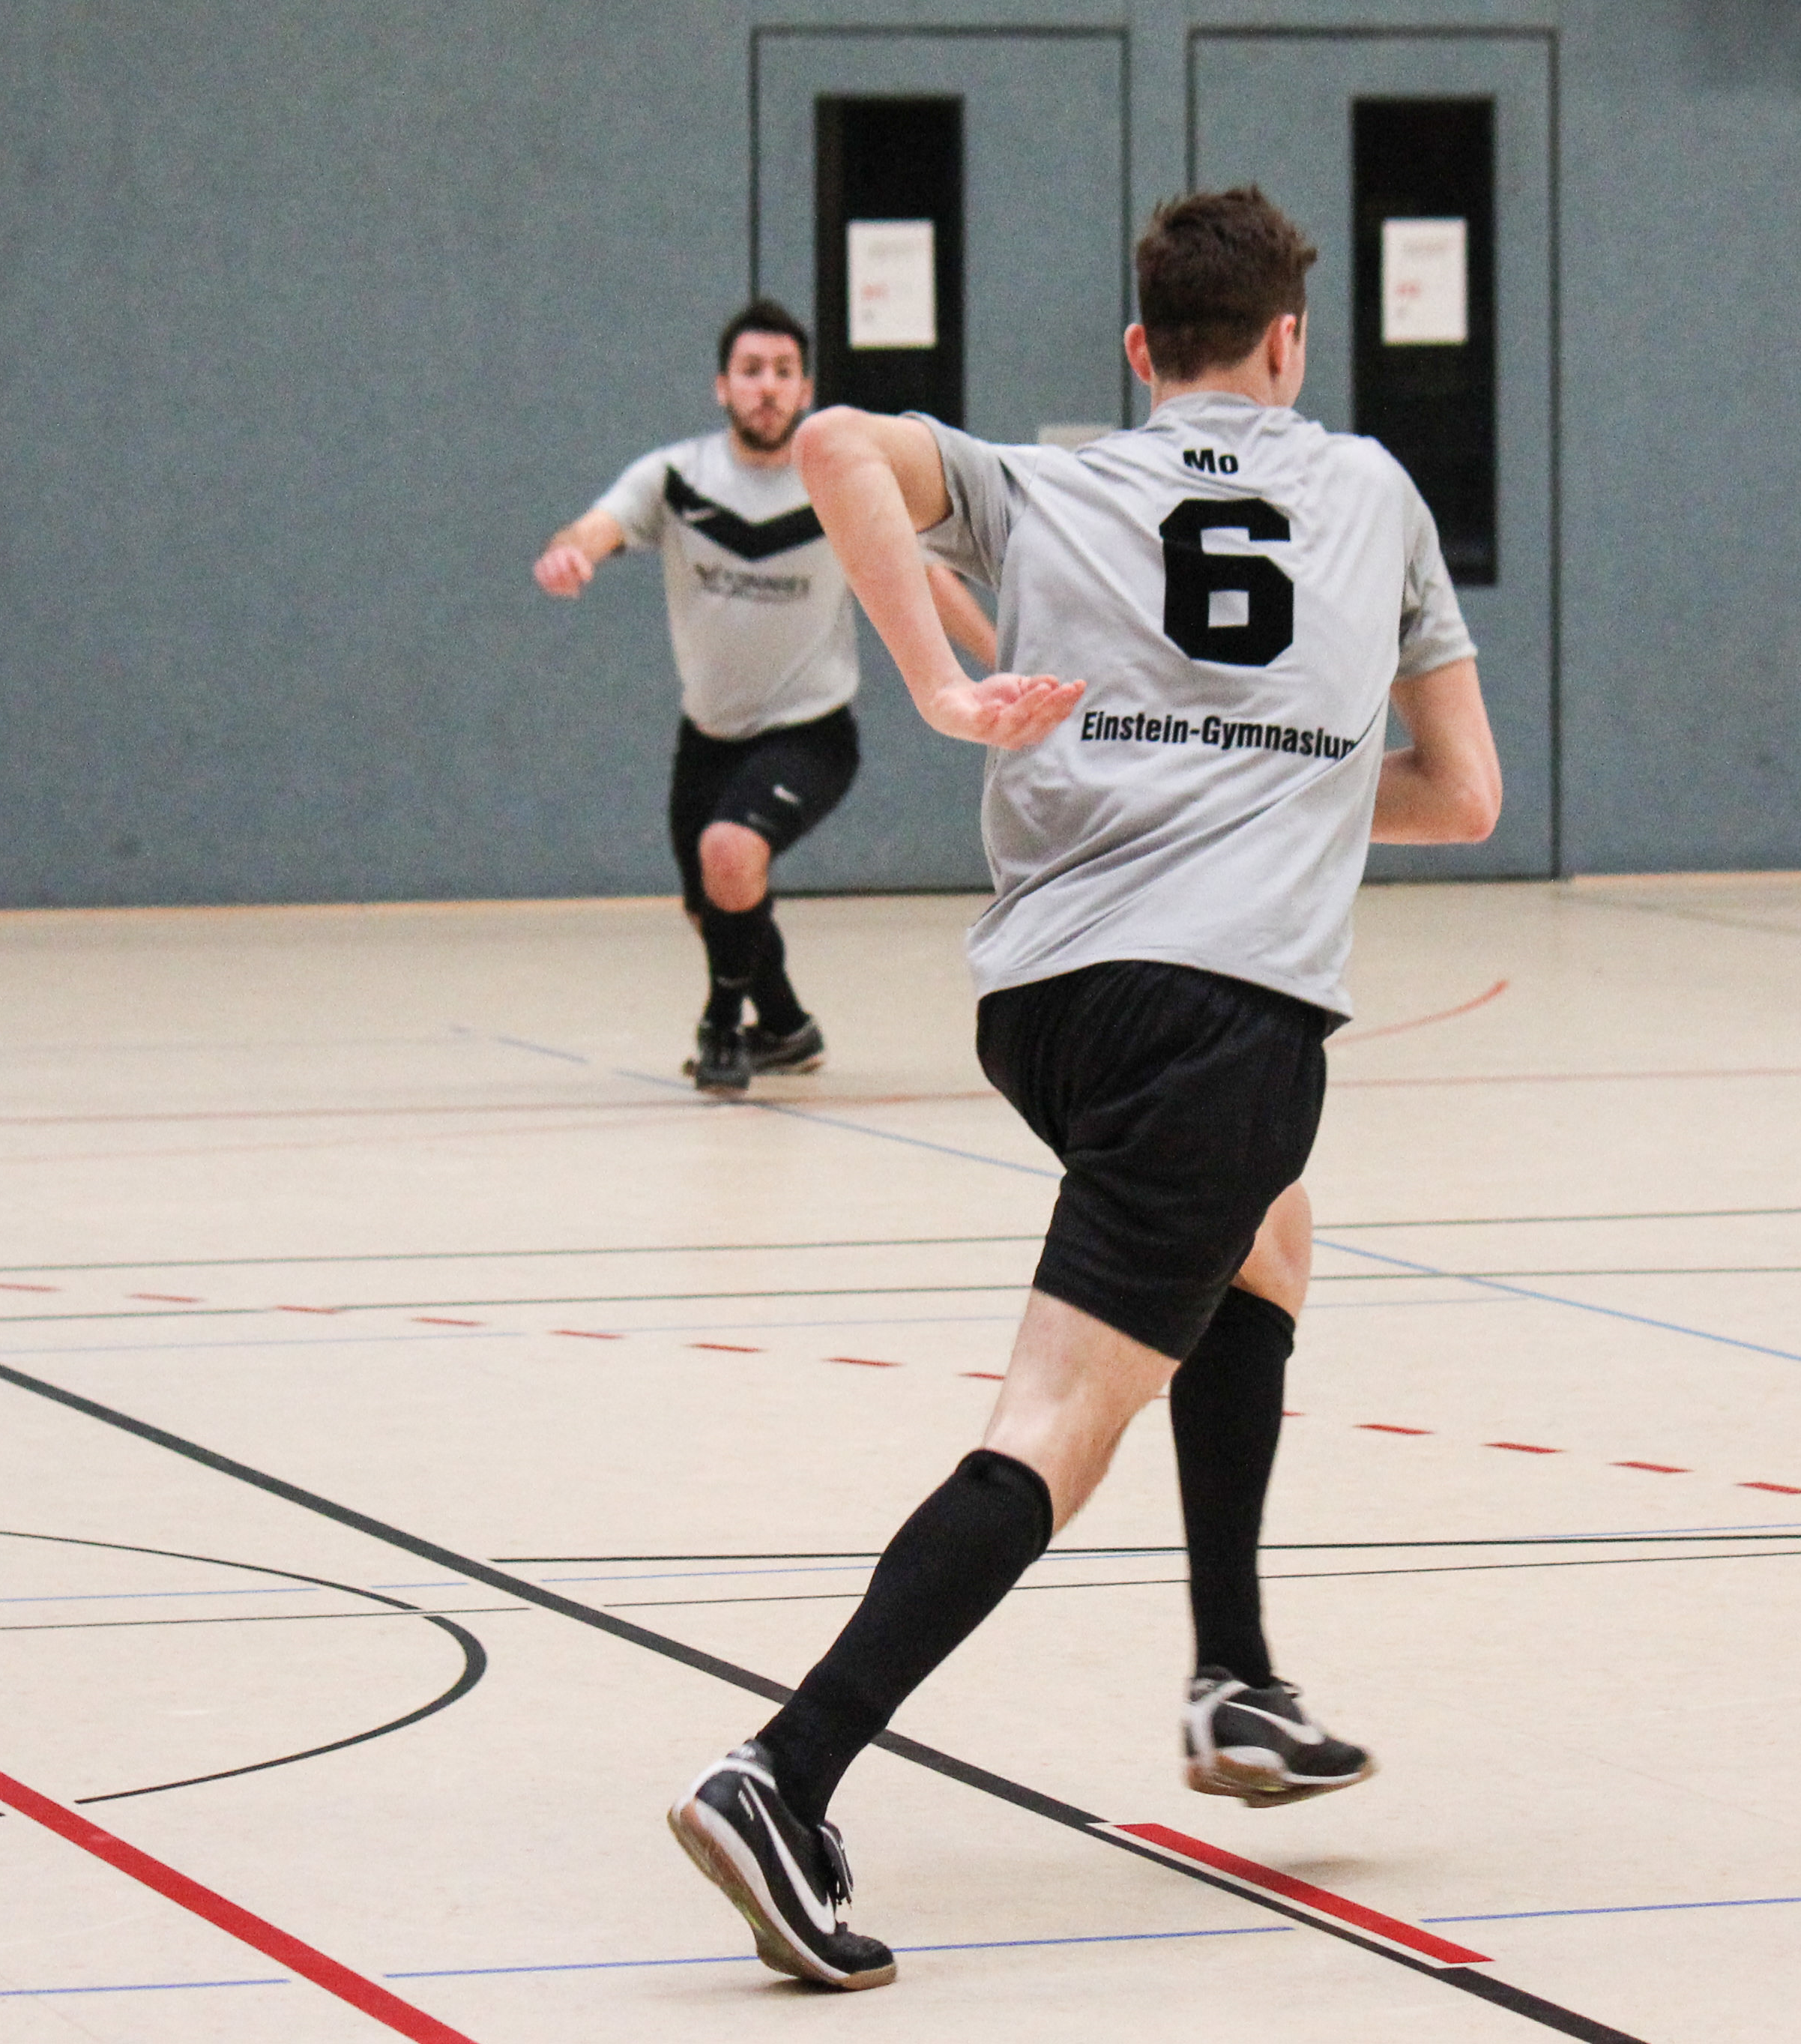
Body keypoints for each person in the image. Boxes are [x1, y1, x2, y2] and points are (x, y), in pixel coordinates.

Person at [663, 187, 1502, 1991]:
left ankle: (1233, 1676)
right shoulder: (1372, 492)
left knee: (1269, 1237)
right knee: (1057, 1414)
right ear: (1290, 342)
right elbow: (1464, 794)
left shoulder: (1052, 485)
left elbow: (834, 445)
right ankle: (784, 1771)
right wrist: (1277, 773)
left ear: (1141, 351)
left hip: (1046, 1001)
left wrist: (940, 683)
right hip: (1224, 1016)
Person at [534, 301, 993, 1095]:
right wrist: (572, 555)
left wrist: (999, 659)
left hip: (810, 732)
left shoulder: (838, 486)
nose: (768, 388)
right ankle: (785, 1027)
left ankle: (721, 1028)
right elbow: (592, 529)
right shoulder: (676, 478)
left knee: (730, 852)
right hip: (709, 736)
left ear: (806, 388)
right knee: (714, 903)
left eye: (784, 372)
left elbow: (929, 577)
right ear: (723, 386)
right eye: (751, 372)